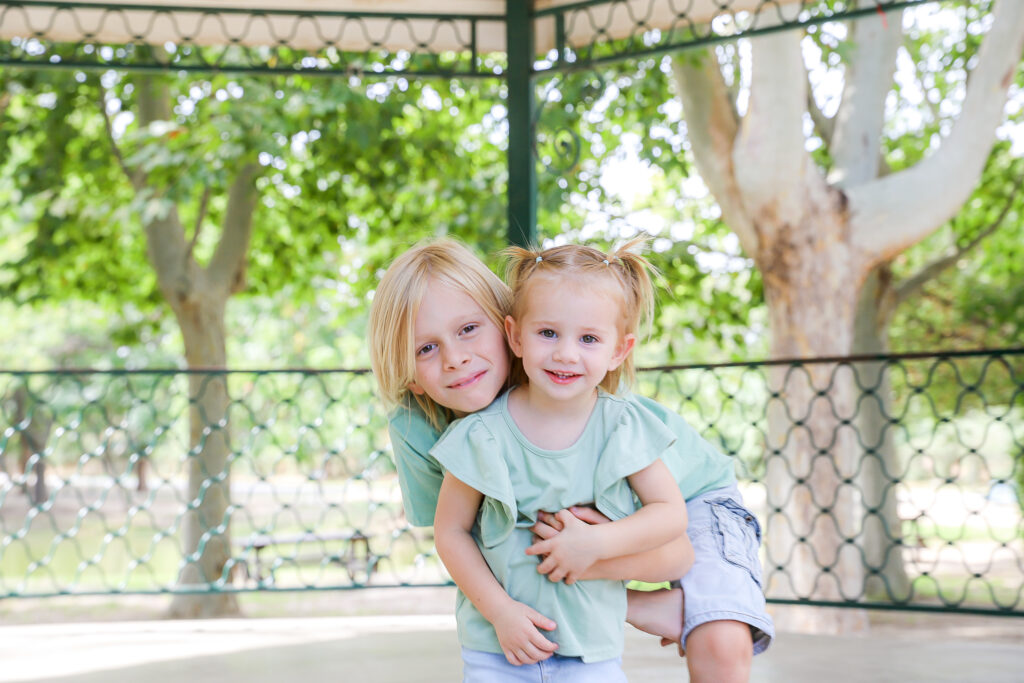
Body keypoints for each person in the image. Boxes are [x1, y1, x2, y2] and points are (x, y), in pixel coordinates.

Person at [368, 238, 773, 682]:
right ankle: (629, 603)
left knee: (720, 641)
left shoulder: (570, 389)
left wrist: (593, 552)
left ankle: (637, 605)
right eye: (426, 349)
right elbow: (473, 541)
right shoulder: (419, 426)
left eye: (468, 329)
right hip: (585, 543)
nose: (456, 358)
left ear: (508, 331)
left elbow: (675, 552)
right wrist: (505, 611)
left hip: (691, 498)